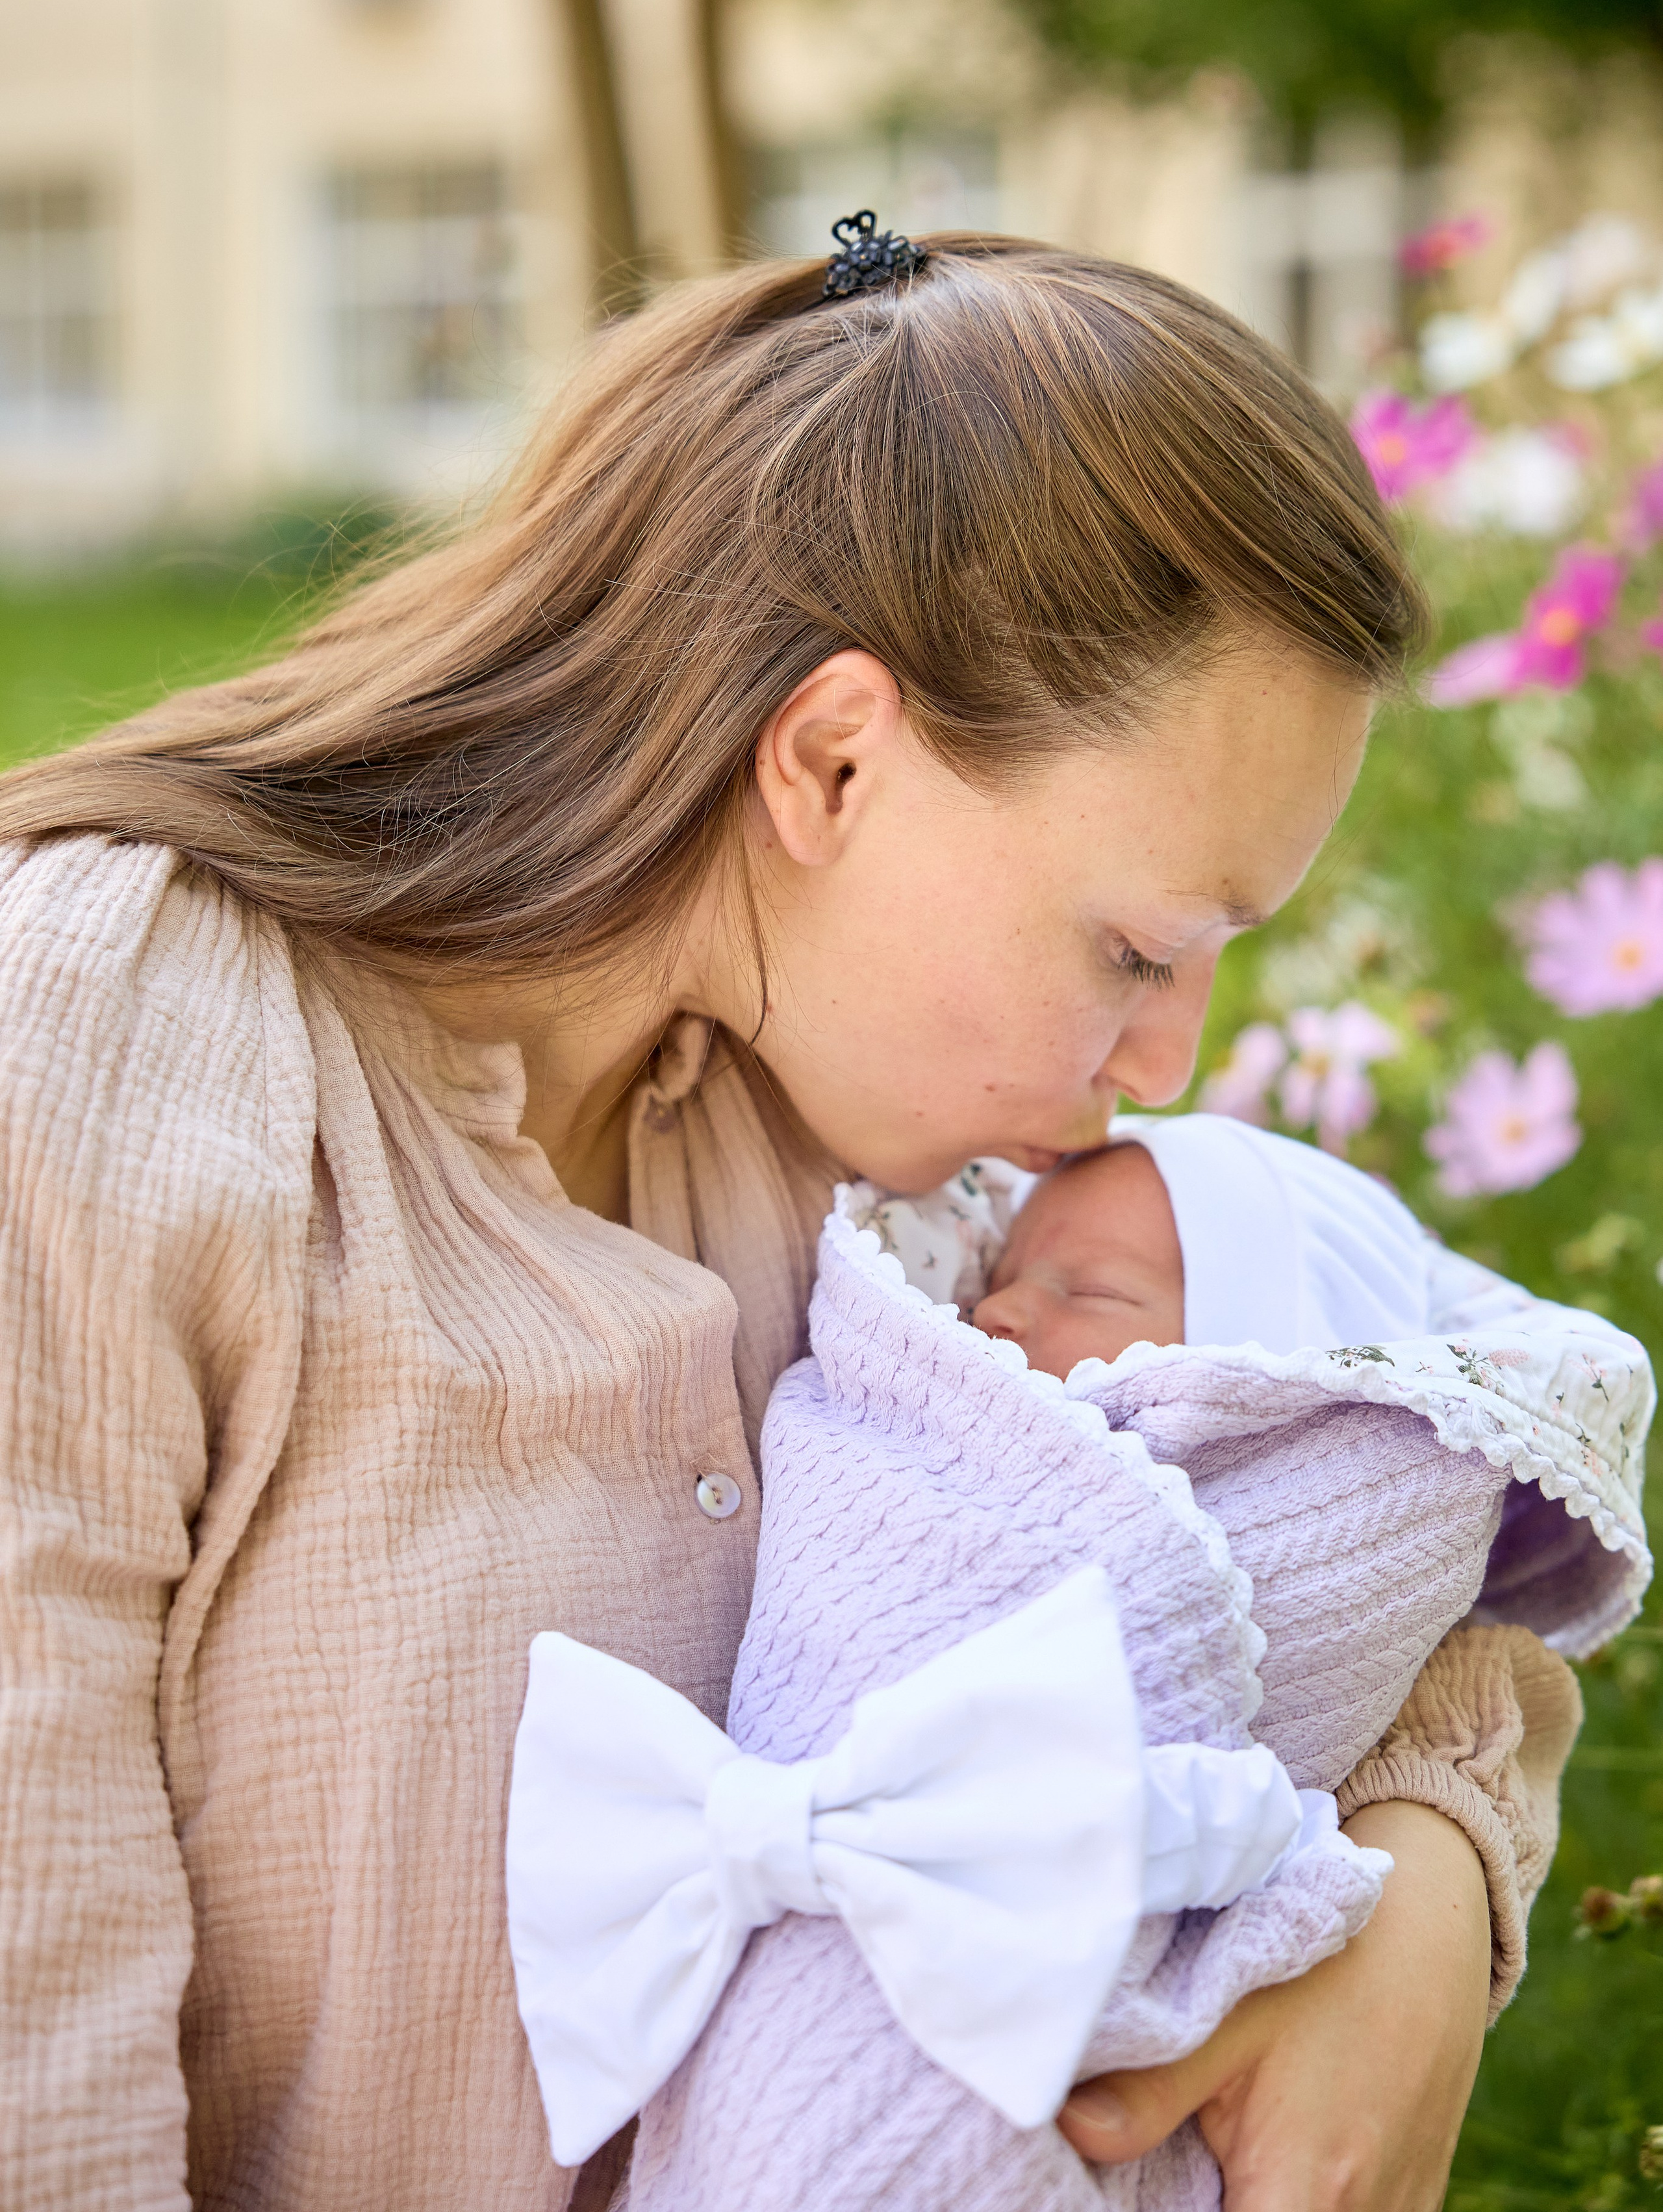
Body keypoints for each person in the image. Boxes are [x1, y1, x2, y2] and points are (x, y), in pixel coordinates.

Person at [0, 226, 1586, 2212]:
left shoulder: (914, 1171)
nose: (1171, 1059)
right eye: (1133, 948)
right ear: (833, 761)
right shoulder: (103, 1044)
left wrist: (1431, 1883)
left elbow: (1357, 1486)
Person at [501, 1121, 1642, 2209]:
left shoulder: (1302, 1513)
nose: (995, 1303)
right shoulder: (905, 1358)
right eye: (1011, 1268)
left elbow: (1446, 1681)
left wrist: (1428, 1888)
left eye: (1087, 1291)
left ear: (1264, 1394)